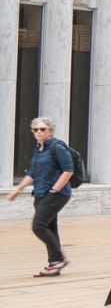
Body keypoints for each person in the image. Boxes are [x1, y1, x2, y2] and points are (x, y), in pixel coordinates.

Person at [7, 116, 75, 277]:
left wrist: (55, 190)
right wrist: (17, 191)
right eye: (35, 129)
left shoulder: (57, 147)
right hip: (40, 193)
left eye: (42, 129)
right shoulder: (39, 149)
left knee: (38, 226)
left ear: (50, 131)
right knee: (50, 227)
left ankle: (58, 259)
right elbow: (32, 174)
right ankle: (54, 264)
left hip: (56, 194)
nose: (38, 132)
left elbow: (68, 170)